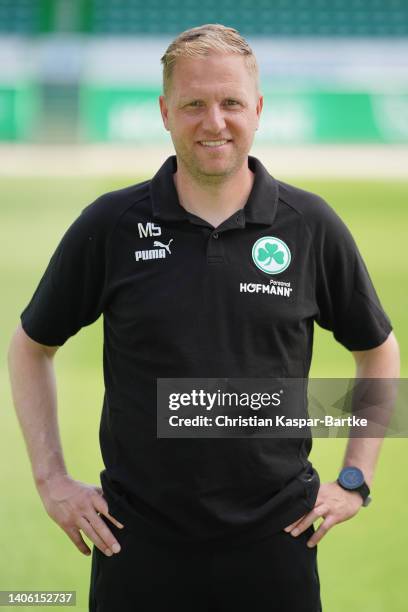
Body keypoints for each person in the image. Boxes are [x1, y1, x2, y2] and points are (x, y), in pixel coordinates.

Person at [8, 24, 399, 612]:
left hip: (276, 542)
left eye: (230, 103)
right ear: (165, 112)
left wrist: (354, 479)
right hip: (136, 545)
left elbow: (378, 349)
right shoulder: (112, 225)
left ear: (258, 110)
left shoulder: (310, 225)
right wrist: (51, 480)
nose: (214, 121)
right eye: (194, 104)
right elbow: (30, 345)